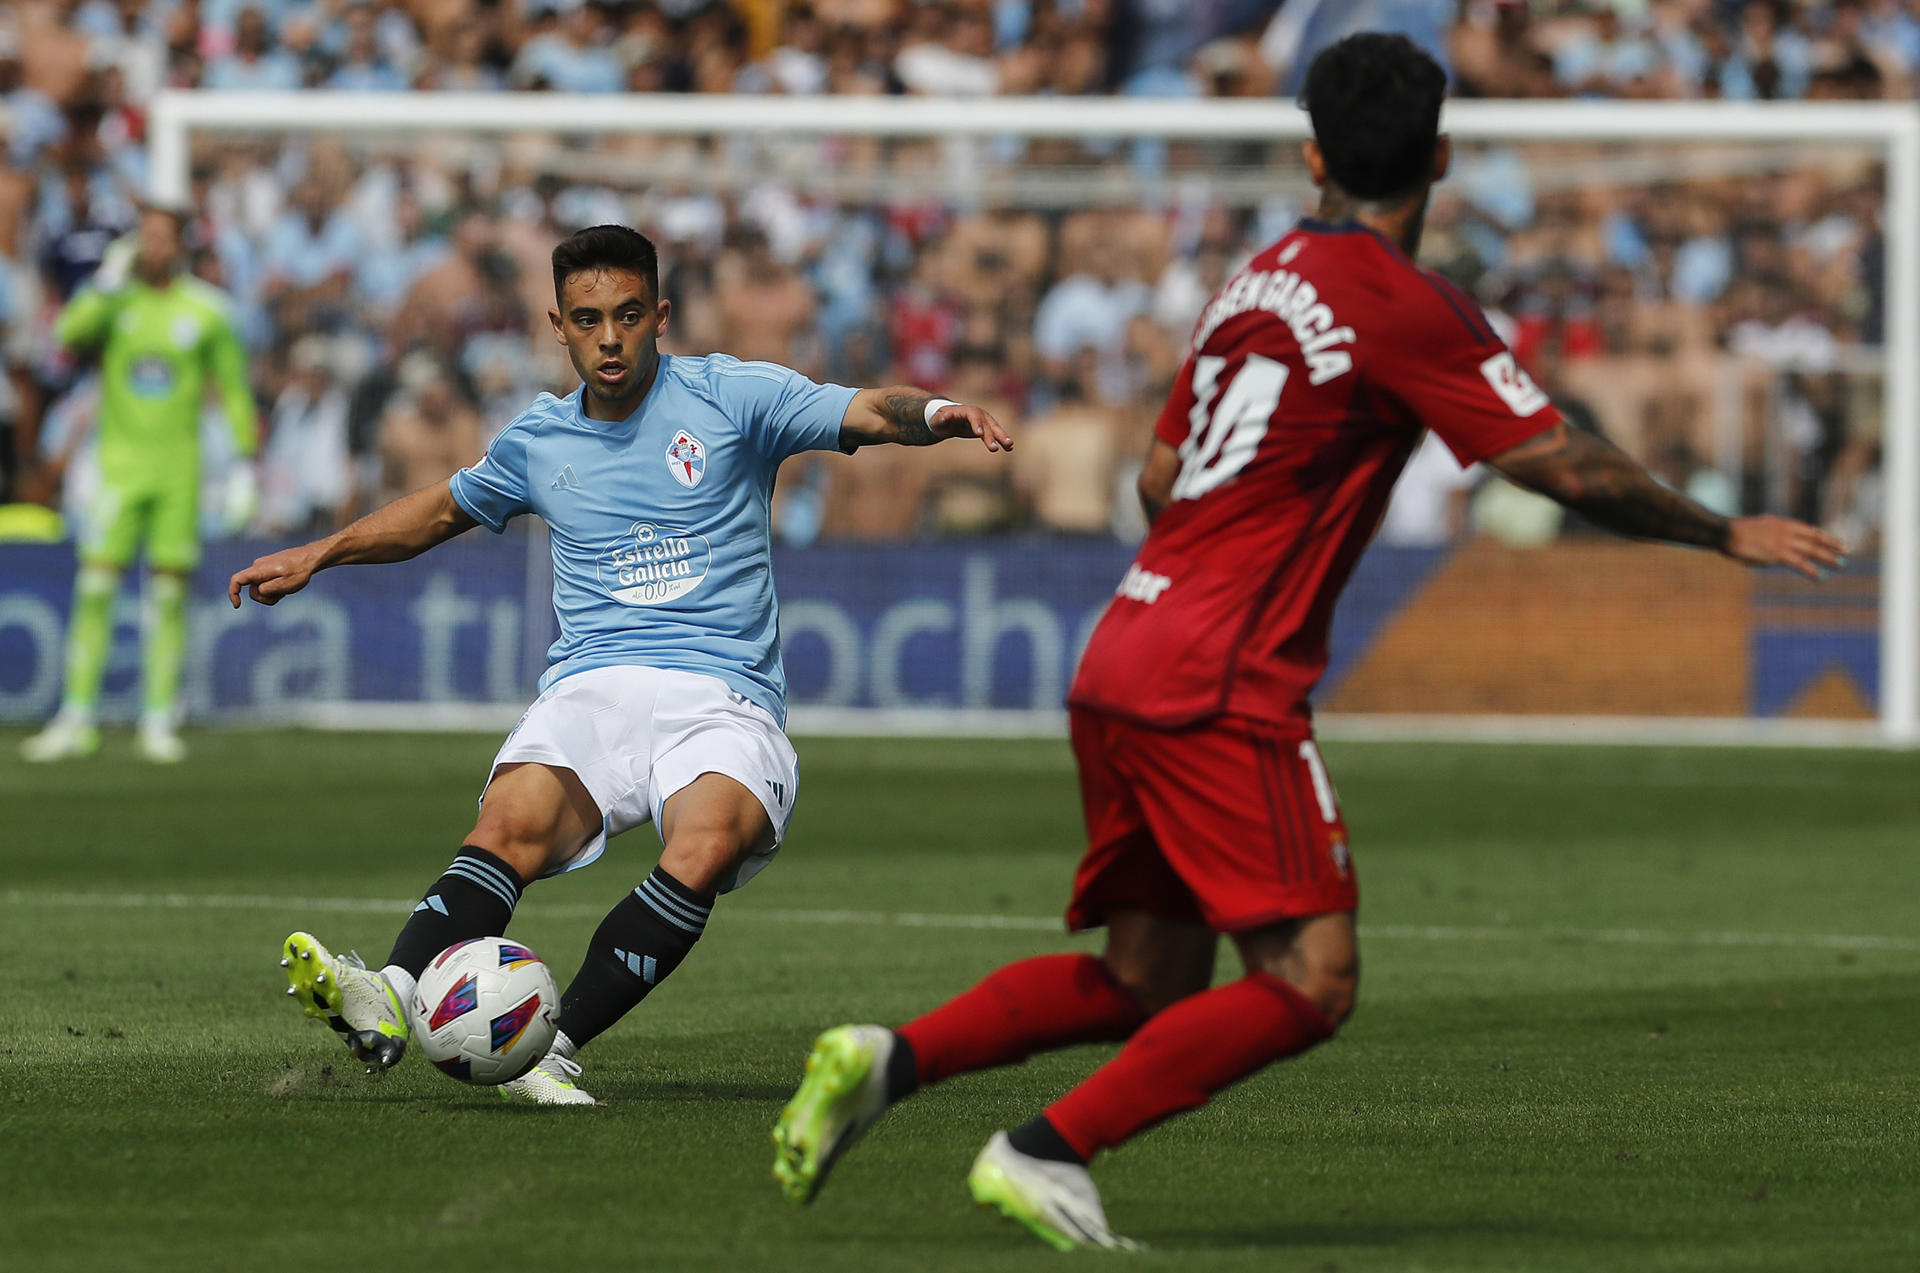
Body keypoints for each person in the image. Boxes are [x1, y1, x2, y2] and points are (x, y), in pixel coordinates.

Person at [769, 33, 1846, 1250]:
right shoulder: (1409, 305)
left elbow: (1158, 476)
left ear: (1312, 153)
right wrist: (1717, 530)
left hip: (1125, 644)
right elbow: (1558, 461)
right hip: (1218, 678)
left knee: (1147, 979)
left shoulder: (1254, 280)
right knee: (1312, 978)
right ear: (1439, 155)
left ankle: (887, 1059)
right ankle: (1040, 1149)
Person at [229, 225, 1012, 1105]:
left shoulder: (730, 395)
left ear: (660, 317)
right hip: (593, 686)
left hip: (723, 695)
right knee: (507, 827)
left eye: (630, 316)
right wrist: (319, 554)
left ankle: (551, 1048)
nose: (610, 338)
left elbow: (866, 410)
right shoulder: (538, 439)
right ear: (557, 324)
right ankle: (389, 997)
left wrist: (939, 413)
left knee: (707, 842)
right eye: (590, 319)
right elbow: (436, 514)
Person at [23, 203, 259, 765]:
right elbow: (67, 334)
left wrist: (245, 465)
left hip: (179, 471)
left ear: (180, 245)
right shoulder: (116, 300)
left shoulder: (206, 311)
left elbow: (232, 388)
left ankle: (158, 717)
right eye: (143, 237)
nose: (150, 247)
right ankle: (77, 716)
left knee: (167, 595)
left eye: (160, 237)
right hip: (117, 468)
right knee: (96, 588)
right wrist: (104, 279)